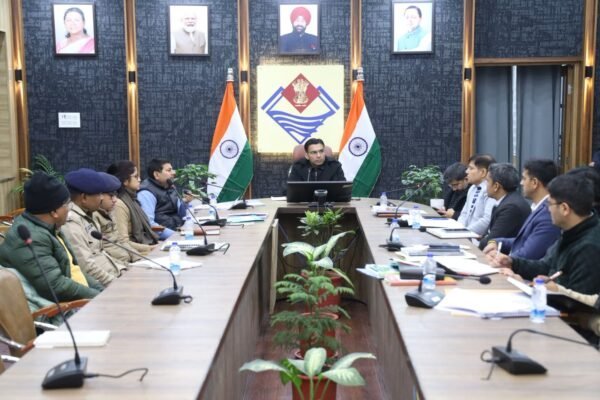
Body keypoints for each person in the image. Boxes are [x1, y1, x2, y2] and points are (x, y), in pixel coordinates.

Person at [0, 172, 102, 302]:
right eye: (67, 204)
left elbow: (74, 271)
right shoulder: (32, 238)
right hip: (61, 309)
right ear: (54, 212)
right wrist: (99, 297)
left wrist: (102, 291)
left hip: (79, 301)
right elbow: (56, 286)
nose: (69, 209)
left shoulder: (50, 227)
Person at [492, 173, 600, 296]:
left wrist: (527, 287)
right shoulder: (573, 230)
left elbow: (578, 302)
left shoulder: (589, 247)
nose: (547, 209)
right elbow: (546, 266)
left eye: (549, 204)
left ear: (564, 209)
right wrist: (512, 263)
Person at [483, 159, 561, 260]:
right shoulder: (538, 207)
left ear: (534, 183)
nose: (521, 183)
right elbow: (522, 241)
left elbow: (529, 254)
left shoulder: (547, 214)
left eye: (524, 178)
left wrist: (503, 260)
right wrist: (497, 242)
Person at [62, 168, 127, 287]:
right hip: (102, 287)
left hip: (114, 275)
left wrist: (124, 269)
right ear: (84, 198)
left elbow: (101, 254)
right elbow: (86, 266)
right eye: (99, 194)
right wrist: (117, 284)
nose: (102, 198)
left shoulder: (88, 214)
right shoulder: (71, 222)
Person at [107, 161, 159, 254]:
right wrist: (150, 248)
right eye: (135, 176)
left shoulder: (133, 199)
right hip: (135, 253)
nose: (139, 179)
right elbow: (123, 242)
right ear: (125, 180)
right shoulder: (119, 204)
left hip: (145, 246)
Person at [478, 163, 531, 249]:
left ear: (496, 186)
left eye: (487, 181)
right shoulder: (507, 201)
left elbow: (492, 240)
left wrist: (481, 242)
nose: (485, 185)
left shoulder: (511, 208)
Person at [93, 172, 141, 263]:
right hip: (118, 265)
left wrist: (138, 258)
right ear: (100, 195)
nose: (115, 200)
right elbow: (101, 253)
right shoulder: (93, 215)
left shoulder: (109, 211)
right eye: (111, 196)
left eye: (115, 195)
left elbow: (121, 241)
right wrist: (125, 267)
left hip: (127, 261)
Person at [138, 159, 192, 239]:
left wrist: (186, 202)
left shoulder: (169, 186)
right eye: (169, 170)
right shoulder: (146, 193)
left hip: (177, 232)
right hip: (162, 239)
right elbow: (149, 224)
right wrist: (175, 235)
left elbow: (181, 213)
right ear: (156, 174)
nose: (173, 173)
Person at [457, 154, 496, 236]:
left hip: (478, 238)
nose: (466, 171)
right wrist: (458, 230)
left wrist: (465, 232)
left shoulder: (491, 190)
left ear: (483, 172)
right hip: (465, 235)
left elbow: (486, 220)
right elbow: (464, 214)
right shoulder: (472, 188)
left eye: (471, 168)